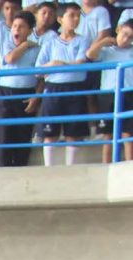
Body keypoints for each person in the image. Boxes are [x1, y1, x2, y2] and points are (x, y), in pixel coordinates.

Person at [37, 3, 92, 166]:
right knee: (49, 132)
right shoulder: (50, 43)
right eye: (71, 16)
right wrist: (51, 64)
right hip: (53, 89)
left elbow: (80, 63)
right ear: (60, 19)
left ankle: (71, 168)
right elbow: (38, 70)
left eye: (78, 16)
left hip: (75, 88)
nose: (76, 19)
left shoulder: (83, 40)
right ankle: (49, 168)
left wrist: (60, 65)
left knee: (73, 132)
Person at [0, 10, 41, 167]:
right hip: (5, 94)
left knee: (23, 136)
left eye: (22, 27)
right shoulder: (6, 44)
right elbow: (10, 58)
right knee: (4, 136)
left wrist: (36, 96)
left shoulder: (37, 49)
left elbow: (42, 77)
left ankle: (21, 170)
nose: (17, 30)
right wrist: (25, 45)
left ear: (30, 30)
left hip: (26, 94)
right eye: (14, 26)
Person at [88, 21, 133, 163]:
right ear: (118, 29)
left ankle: (130, 166)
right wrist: (104, 41)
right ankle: (106, 166)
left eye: (130, 37)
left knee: (128, 134)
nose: (125, 39)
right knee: (108, 134)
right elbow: (90, 54)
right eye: (124, 34)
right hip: (108, 95)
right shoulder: (107, 51)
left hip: (129, 93)